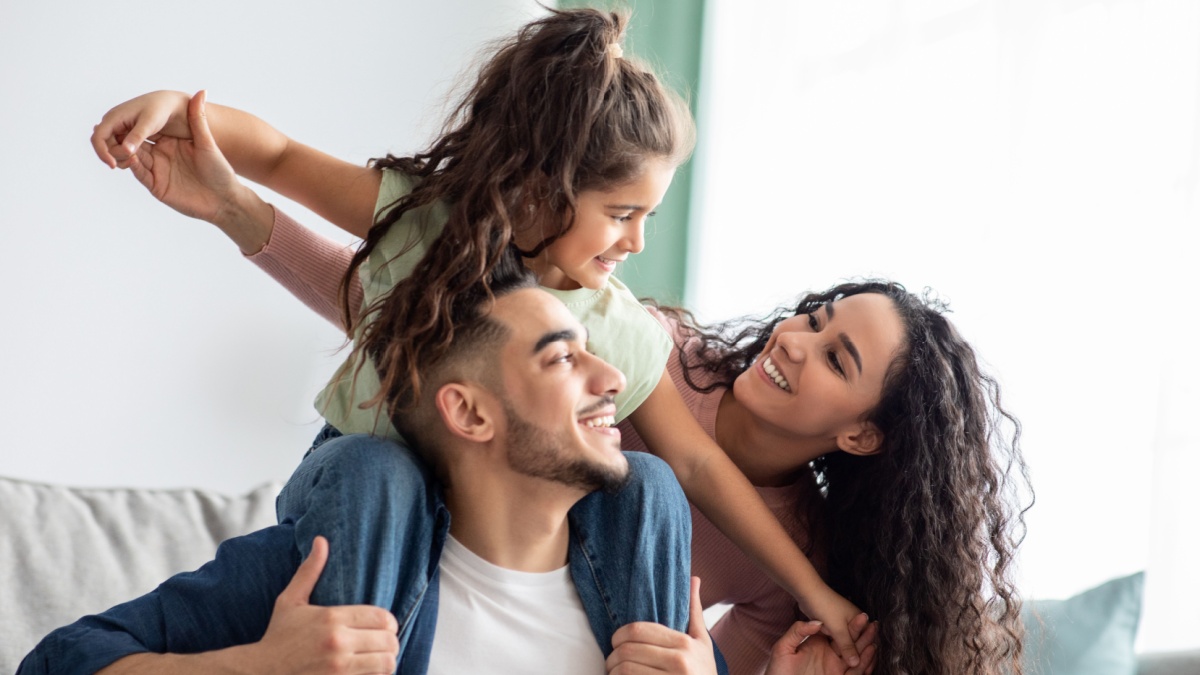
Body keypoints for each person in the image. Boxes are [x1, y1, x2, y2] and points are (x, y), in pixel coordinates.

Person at [89, 6, 870, 666]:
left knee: (650, 481)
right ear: (543, 186)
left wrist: (817, 592)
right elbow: (286, 158)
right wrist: (179, 113)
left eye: (649, 219)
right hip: (363, 489)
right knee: (378, 469)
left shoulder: (619, 328)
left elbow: (695, 462)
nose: (635, 243)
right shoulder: (433, 225)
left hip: (508, 521)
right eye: (622, 214)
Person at [20, 267, 717, 675]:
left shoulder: (644, 603)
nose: (614, 376)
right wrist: (256, 666)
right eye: (563, 357)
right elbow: (58, 660)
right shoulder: (330, 575)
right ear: (470, 413)